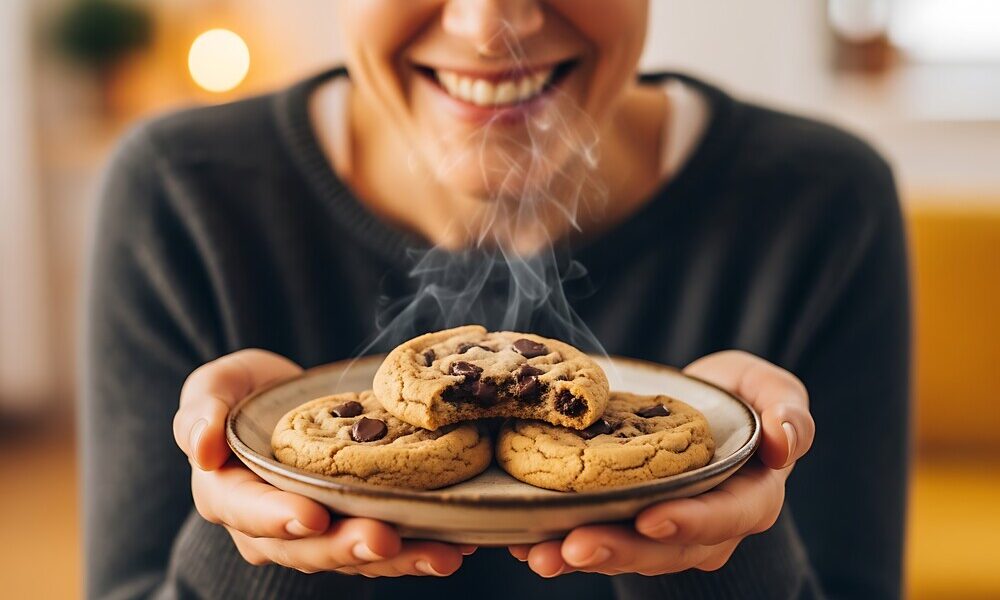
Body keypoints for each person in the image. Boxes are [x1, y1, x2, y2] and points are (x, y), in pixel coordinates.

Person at [82, 2, 909, 599]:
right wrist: (266, 536)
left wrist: (722, 537)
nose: (489, 26)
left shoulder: (822, 203)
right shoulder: (182, 194)